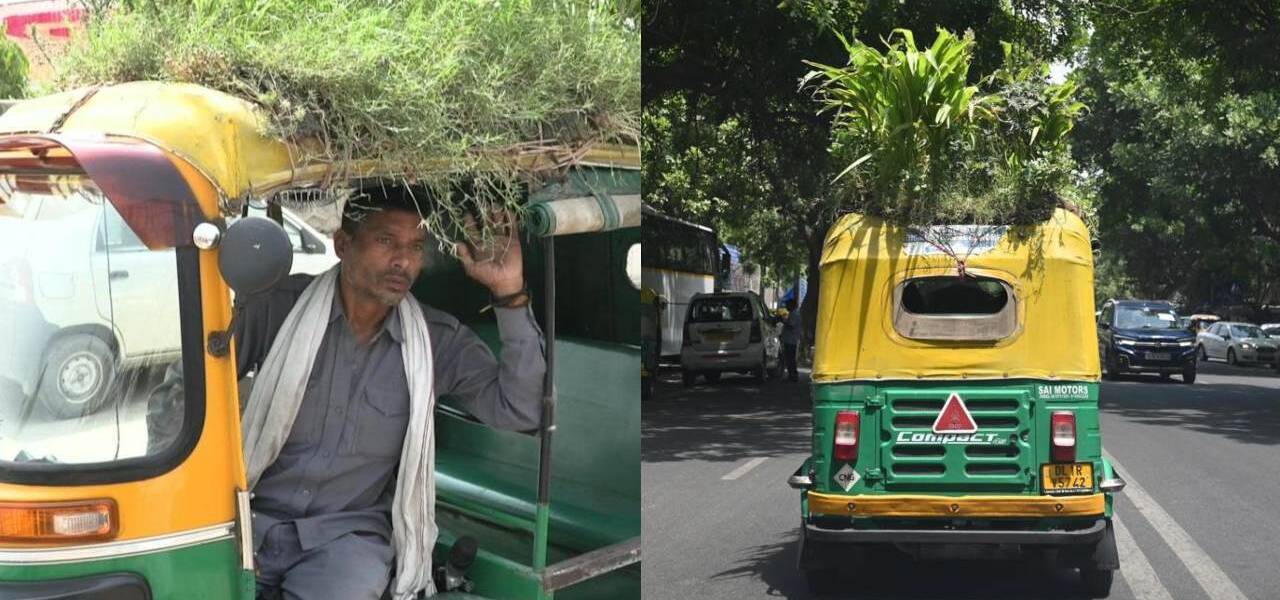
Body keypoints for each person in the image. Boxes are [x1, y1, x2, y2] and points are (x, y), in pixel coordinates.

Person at [147, 188, 544, 599]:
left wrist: (509, 291)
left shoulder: (434, 340)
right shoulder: (275, 308)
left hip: (345, 541)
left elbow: (521, 409)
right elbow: (176, 399)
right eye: (386, 241)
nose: (402, 261)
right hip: (247, 524)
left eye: (415, 247)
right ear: (342, 244)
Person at [780, 298, 802, 382]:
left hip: (791, 340)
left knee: (790, 359)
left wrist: (783, 321)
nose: (786, 307)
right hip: (790, 339)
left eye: (788, 305)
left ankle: (793, 376)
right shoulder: (793, 313)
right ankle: (792, 375)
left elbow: (791, 325)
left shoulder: (794, 314)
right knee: (790, 359)